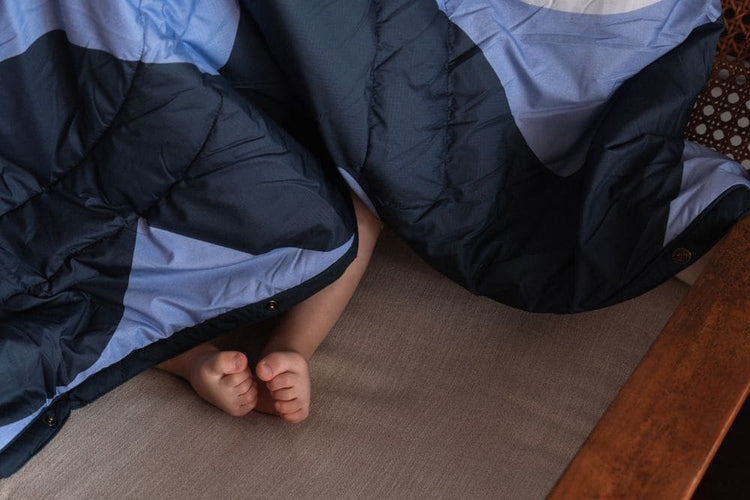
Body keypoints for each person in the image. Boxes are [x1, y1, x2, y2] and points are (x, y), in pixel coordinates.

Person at [157, 193, 382, 423]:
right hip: (185, 228)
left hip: (299, 224)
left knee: (365, 202)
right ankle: (190, 359)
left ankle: (287, 351)